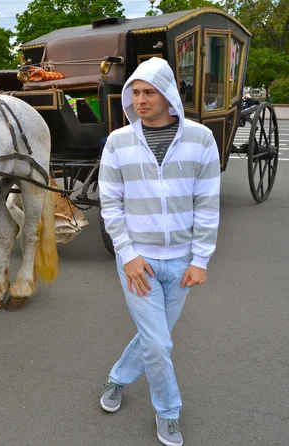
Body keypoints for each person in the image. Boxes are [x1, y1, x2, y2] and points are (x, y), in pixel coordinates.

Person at [98, 57, 220, 446]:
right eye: (135, 92)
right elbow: (110, 204)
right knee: (158, 343)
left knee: (157, 339)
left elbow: (207, 203)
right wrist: (128, 254)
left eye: (149, 92)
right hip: (138, 262)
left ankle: (117, 379)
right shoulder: (118, 142)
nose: (140, 99)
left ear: (168, 95)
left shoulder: (200, 138)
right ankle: (169, 412)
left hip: (182, 260)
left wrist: (200, 259)